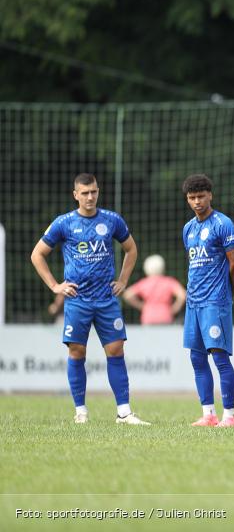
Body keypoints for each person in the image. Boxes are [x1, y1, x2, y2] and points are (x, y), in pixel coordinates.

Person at [30, 173, 149, 425]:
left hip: (106, 299)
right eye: (84, 193)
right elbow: (37, 254)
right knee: (77, 351)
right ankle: (81, 411)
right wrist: (55, 286)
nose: (90, 197)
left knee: (116, 349)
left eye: (93, 191)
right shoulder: (63, 223)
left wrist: (123, 280)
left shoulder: (112, 220)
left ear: (98, 191)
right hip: (78, 300)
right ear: (76, 195)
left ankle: (124, 412)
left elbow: (131, 249)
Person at [181, 174, 234, 427]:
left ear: (210, 196)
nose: (197, 202)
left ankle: (229, 415)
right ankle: (208, 414)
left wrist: (229, 292)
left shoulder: (222, 224)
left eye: (201, 196)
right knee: (197, 358)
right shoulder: (188, 228)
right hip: (193, 303)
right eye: (192, 198)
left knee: (219, 357)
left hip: (215, 301)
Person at [122, 255, 186, 325]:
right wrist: (173, 309)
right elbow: (182, 295)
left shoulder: (144, 283)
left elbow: (127, 295)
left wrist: (142, 306)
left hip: (148, 315)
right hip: (165, 315)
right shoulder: (169, 282)